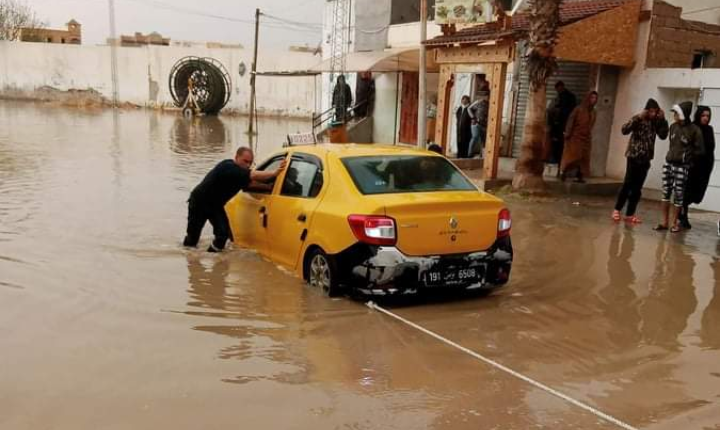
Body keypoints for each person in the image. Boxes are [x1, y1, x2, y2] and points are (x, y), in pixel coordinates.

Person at [183, 147, 285, 252]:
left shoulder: (240, 173)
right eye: (245, 161)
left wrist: (270, 187)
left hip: (215, 206)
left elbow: (250, 183)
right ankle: (191, 261)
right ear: (236, 157)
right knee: (192, 238)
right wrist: (274, 173)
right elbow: (253, 175)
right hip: (199, 203)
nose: (248, 165)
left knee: (222, 235)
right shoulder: (229, 167)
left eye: (250, 162)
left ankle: (212, 257)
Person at [612, 99, 669, 224]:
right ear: (646, 111)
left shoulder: (656, 123)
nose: (653, 114)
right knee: (627, 184)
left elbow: (663, 135)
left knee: (637, 188)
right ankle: (617, 210)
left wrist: (663, 120)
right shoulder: (638, 119)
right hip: (633, 156)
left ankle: (630, 214)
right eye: (651, 111)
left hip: (646, 158)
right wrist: (638, 117)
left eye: (655, 112)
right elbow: (624, 130)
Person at [654, 102, 704, 233]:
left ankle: (675, 223)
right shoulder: (673, 126)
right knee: (665, 193)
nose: (674, 115)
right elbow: (668, 140)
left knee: (678, 196)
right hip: (668, 164)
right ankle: (664, 222)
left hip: (682, 167)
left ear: (682, 114)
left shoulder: (694, 130)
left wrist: (687, 157)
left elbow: (700, 150)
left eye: (676, 113)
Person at [679, 106, 715, 229]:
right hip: (692, 166)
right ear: (698, 115)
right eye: (703, 115)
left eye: (708, 116)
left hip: (704, 167)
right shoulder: (692, 127)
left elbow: (711, 148)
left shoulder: (709, 129)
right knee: (688, 192)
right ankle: (683, 216)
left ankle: (681, 211)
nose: (706, 118)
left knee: (697, 195)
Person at [561, 91, 598, 183]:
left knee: (584, 158)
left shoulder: (593, 112)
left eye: (595, 98)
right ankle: (564, 172)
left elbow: (591, 124)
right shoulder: (579, 109)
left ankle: (580, 175)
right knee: (573, 156)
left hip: (586, 138)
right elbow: (571, 121)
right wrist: (568, 133)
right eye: (592, 98)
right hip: (575, 137)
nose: (593, 100)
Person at [547, 81, 577, 164]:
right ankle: (557, 160)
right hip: (558, 125)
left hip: (563, 125)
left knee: (560, 145)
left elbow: (569, 112)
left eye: (559, 89)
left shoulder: (569, 97)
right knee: (556, 144)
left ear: (562, 87)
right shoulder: (559, 97)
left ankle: (559, 161)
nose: (558, 91)